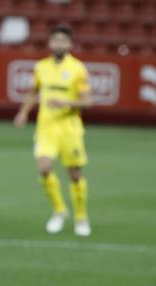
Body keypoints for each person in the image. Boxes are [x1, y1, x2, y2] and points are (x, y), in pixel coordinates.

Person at [14, 25, 93, 236]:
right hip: (46, 127)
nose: (59, 44)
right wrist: (23, 113)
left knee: (75, 175)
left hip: (69, 128)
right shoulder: (41, 67)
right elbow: (33, 92)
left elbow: (87, 102)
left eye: (63, 41)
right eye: (55, 40)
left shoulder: (78, 69)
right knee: (44, 168)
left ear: (70, 44)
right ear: (50, 43)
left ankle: (81, 216)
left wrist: (65, 102)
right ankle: (59, 210)